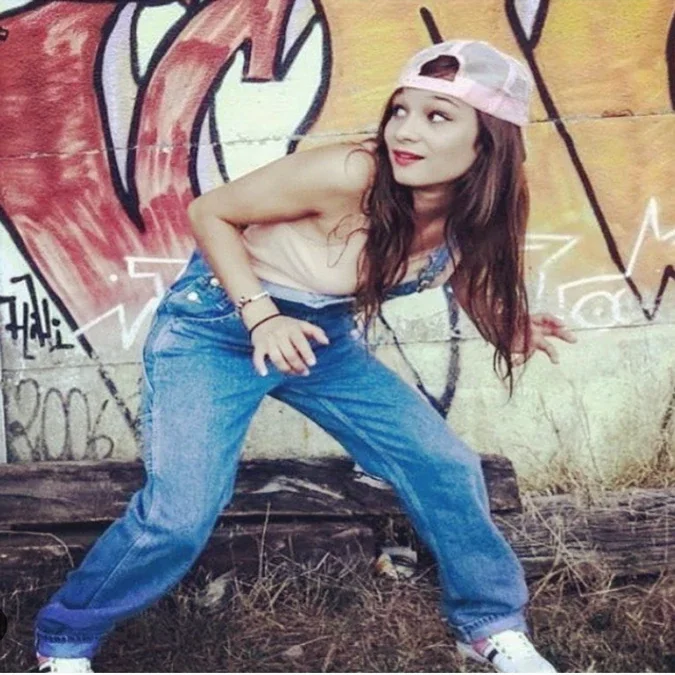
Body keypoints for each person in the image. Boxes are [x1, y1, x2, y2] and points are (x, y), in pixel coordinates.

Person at [33, 39, 576, 673]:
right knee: (179, 515)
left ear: (489, 142)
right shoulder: (349, 172)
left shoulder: (477, 207)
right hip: (218, 329)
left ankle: (488, 625)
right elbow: (211, 213)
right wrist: (261, 316)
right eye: (401, 110)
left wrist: (506, 327)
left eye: (437, 117)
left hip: (320, 339)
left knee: (444, 464)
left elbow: (461, 273)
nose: (405, 131)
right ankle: (64, 638)